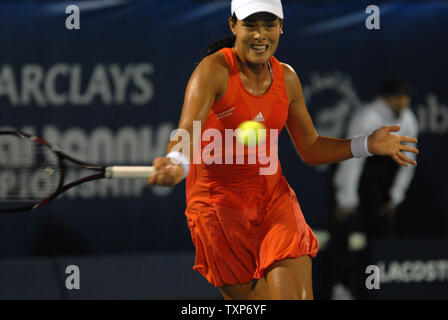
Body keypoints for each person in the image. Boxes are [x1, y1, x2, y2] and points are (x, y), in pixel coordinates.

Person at [147, 0, 419, 300]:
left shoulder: (287, 79)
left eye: (269, 25)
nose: (260, 35)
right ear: (233, 26)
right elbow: (187, 129)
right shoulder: (213, 70)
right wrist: (176, 160)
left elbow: (311, 148)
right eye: (250, 25)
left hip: (272, 202)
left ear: (281, 27)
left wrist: (365, 144)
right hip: (217, 212)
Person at [321, 77, 419, 299]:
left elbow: (408, 163)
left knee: (380, 234)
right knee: (341, 234)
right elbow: (351, 161)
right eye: (399, 97)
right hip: (351, 175)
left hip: (380, 182)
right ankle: (340, 288)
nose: (404, 102)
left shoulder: (410, 121)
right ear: (387, 98)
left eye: (406, 97)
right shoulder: (366, 118)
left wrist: (394, 198)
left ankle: (374, 288)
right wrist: (346, 200)